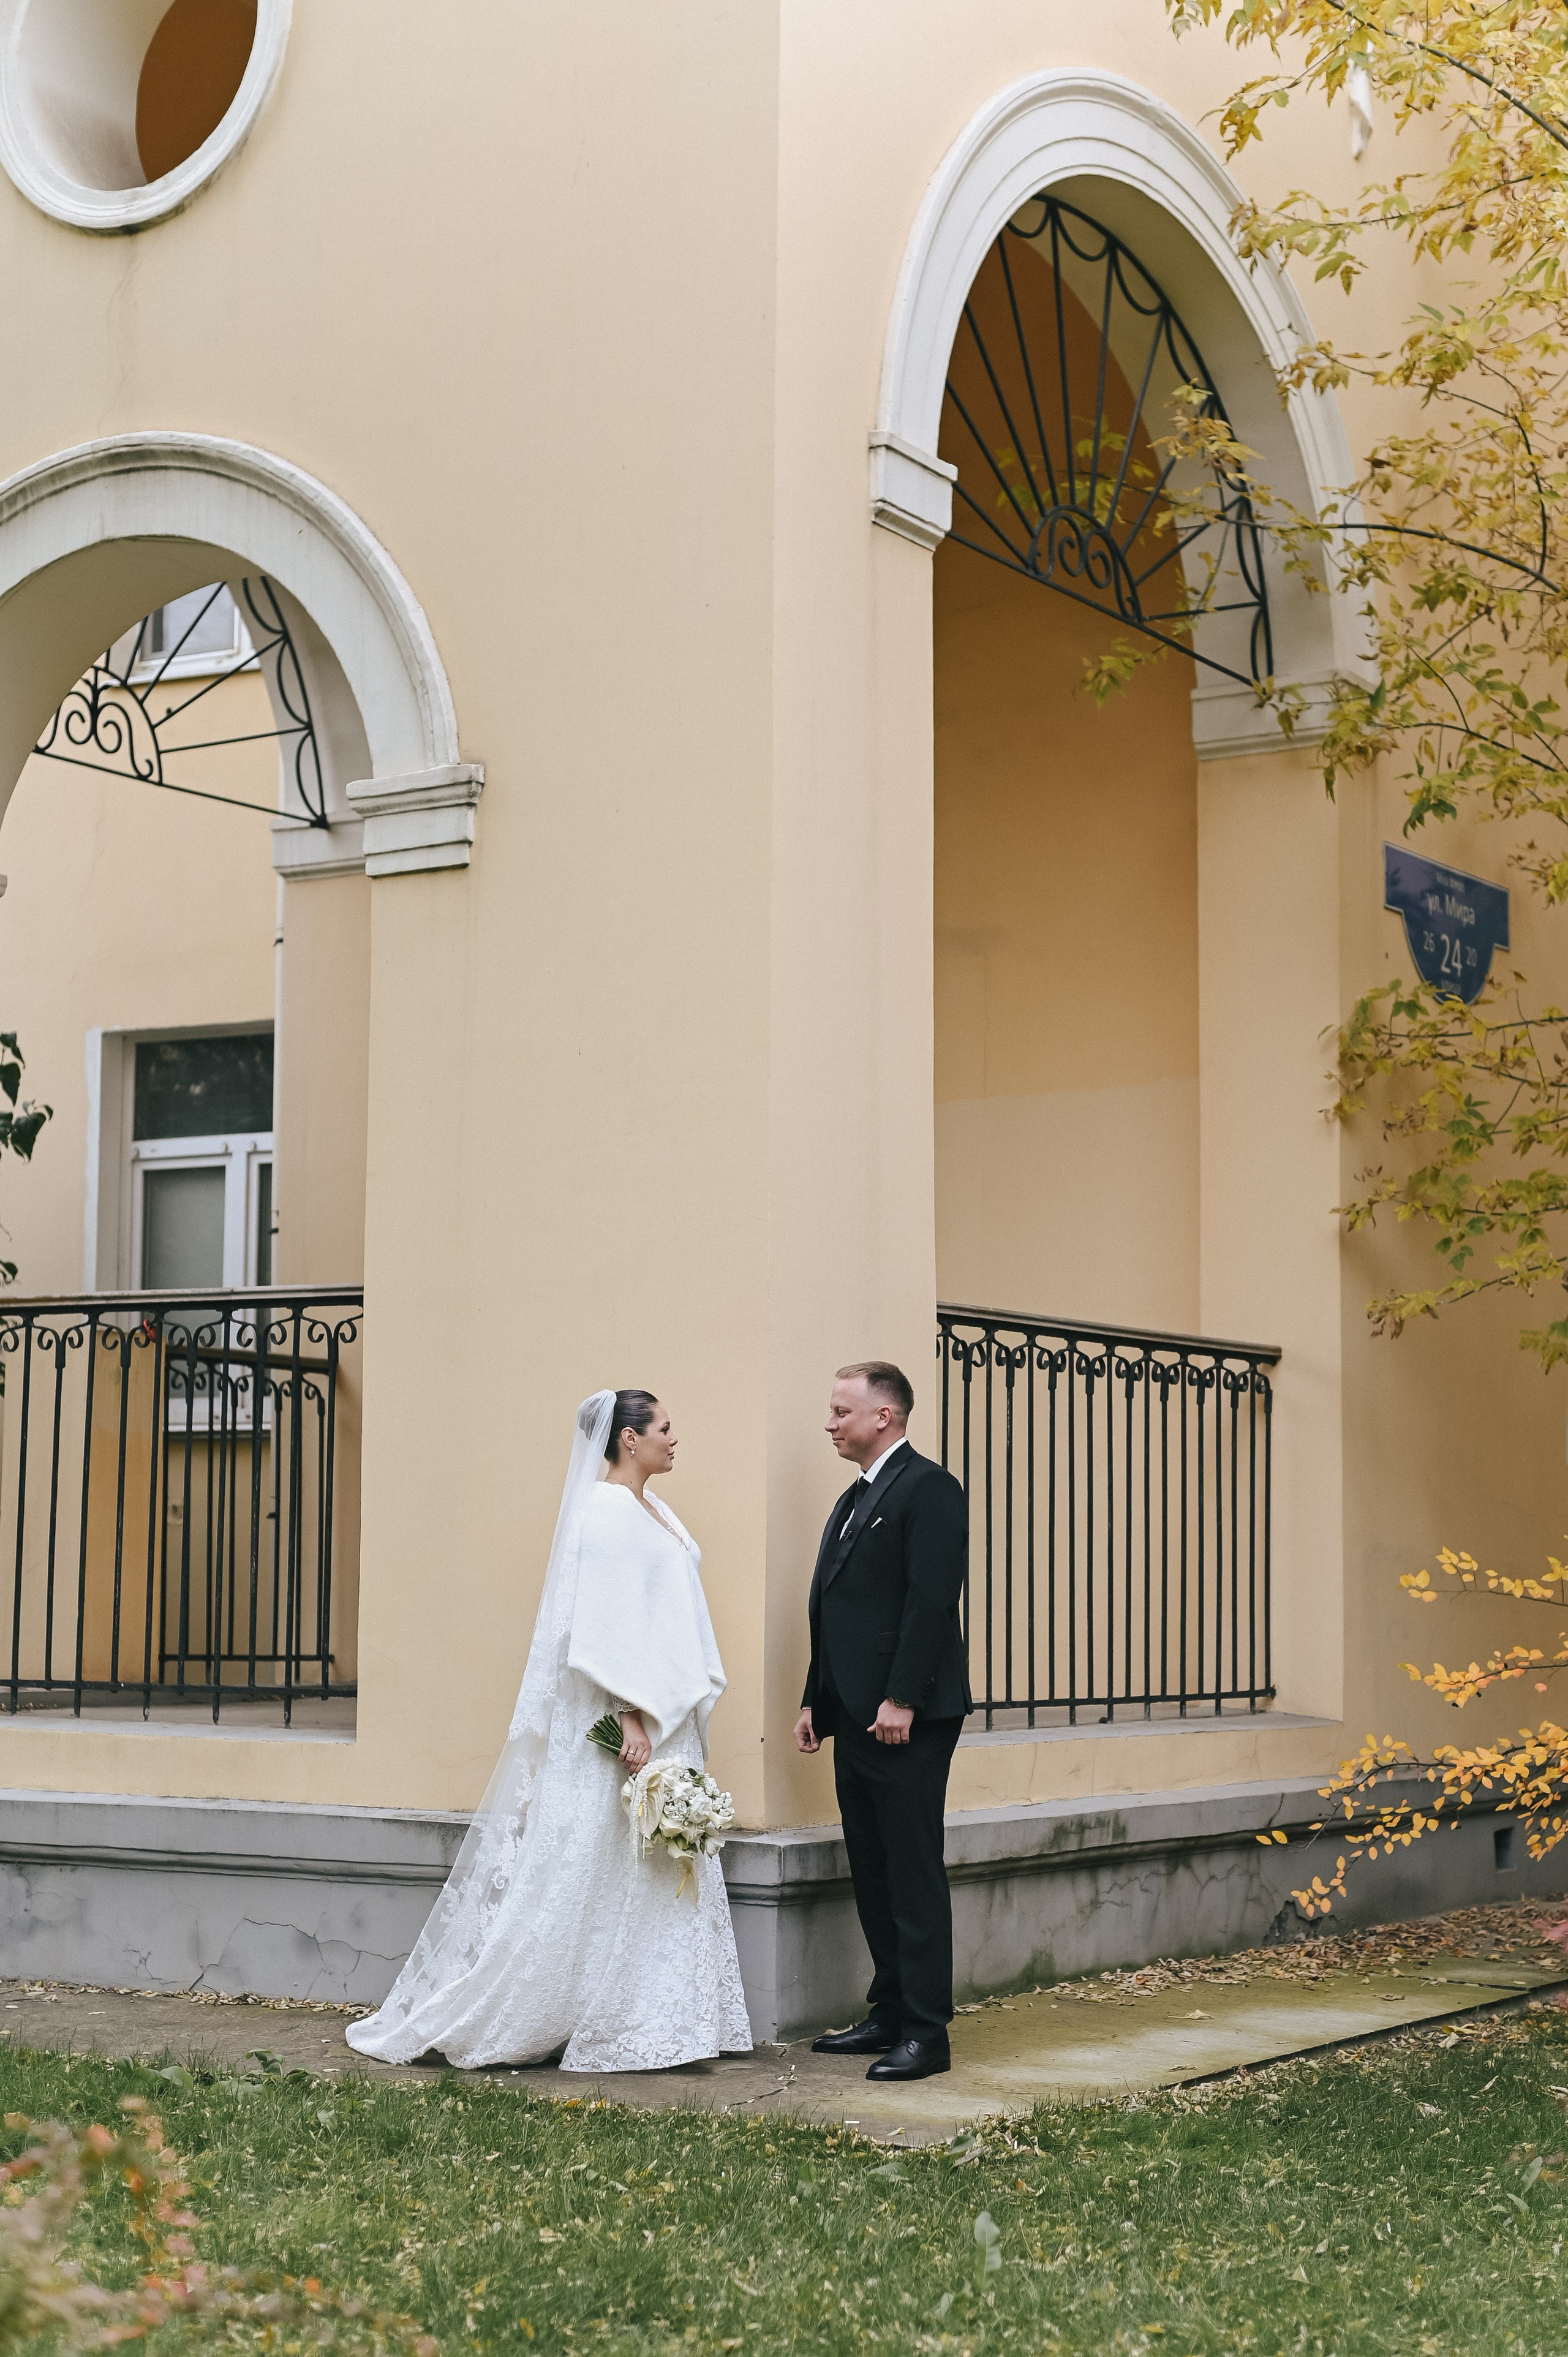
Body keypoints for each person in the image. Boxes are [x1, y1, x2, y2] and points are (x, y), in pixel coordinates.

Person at [346, 1388, 752, 2072]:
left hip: (667, 1716)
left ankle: (665, 2017)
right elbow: (599, 1623)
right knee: (607, 1857)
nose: (674, 1439)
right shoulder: (604, 1512)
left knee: (653, 1862)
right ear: (628, 1438)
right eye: (664, 1428)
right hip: (630, 1722)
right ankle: (585, 2011)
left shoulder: (656, 1507)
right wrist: (628, 1714)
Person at [794, 1360, 970, 2082]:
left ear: (885, 1417)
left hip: (907, 1718)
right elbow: (837, 1607)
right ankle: (890, 2011)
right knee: (871, 1868)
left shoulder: (928, 1488)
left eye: (842, 1410)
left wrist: (902, 1697)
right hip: (856, 1715)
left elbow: (930, 1603)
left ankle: (927, 2033)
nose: (831, 1422)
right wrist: (817, 1698)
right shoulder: (855, 1495)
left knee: (911, 1870)